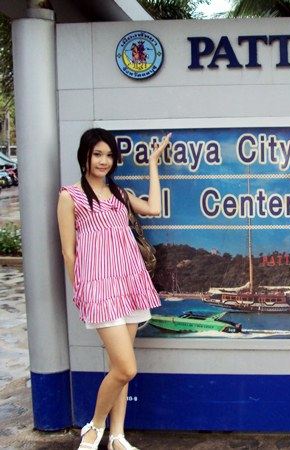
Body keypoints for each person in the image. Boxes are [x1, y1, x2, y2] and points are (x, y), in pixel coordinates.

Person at [57, 128, 171, 450]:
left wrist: (152, 164)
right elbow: (68, 252)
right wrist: (79, 290)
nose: (103, 161)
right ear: (85, 155)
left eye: (109, 155)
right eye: (97, 154)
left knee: (119, 368)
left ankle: (117, 437)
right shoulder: (69, 196)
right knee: (126, 368)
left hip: (130, 282)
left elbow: (153, 208)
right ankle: (94, 426)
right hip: (99, 289)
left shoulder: (119, 193)